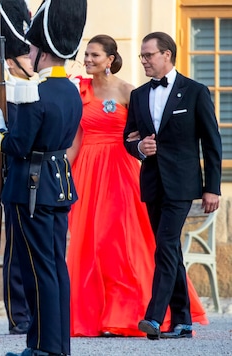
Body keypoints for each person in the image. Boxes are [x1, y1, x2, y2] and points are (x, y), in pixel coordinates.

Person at [67, 34, 209, 337]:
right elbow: (77, 140)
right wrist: (61, 171)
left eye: (94, 55)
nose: (88, 60)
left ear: (110, 59)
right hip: (87, 173)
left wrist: (143, 149)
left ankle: (137, 314)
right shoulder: (79, 91)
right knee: (89, 246)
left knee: (119, 243)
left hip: (120, 173)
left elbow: (148, 134)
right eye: (86, 56)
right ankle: (97, 317)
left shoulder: (130, 91)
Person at [0, 1, 86, 355]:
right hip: (58, 183)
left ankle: (44, 347)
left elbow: (17, 144)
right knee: (54, 268)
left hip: (31, 187)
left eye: (32, 47)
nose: (28, 52)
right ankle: (55, 345)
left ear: (42, 52)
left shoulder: (35, 92)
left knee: (37, 271)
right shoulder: (71, 90)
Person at [124, 31, 222, 340]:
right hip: (153, 183)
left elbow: (212, 143)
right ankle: (182, 321)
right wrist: (140, 150)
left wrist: (212, 187)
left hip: (183, 184)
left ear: (167, 55)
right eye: (142, 55)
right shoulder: (139, 95)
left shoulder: (195, 91)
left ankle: (154, 316)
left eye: (148, 55)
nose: (143, 60)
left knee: (165, 245)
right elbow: (128, 139)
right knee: (169, 251)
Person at [0, 0, 35, 335]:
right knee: (17, 251)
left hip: (42, 176)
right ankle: (19, 315)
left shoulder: (39, 84)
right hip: (16, 176)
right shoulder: (9, 90)